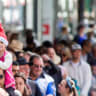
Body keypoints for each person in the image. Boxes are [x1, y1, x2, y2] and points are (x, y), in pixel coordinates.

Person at [0, 23, 15, 96]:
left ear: (5, 45)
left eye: (2, 42)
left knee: (10, 93)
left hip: (8, 80)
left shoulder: (8, 55)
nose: (0, 44)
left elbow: (5, 66)